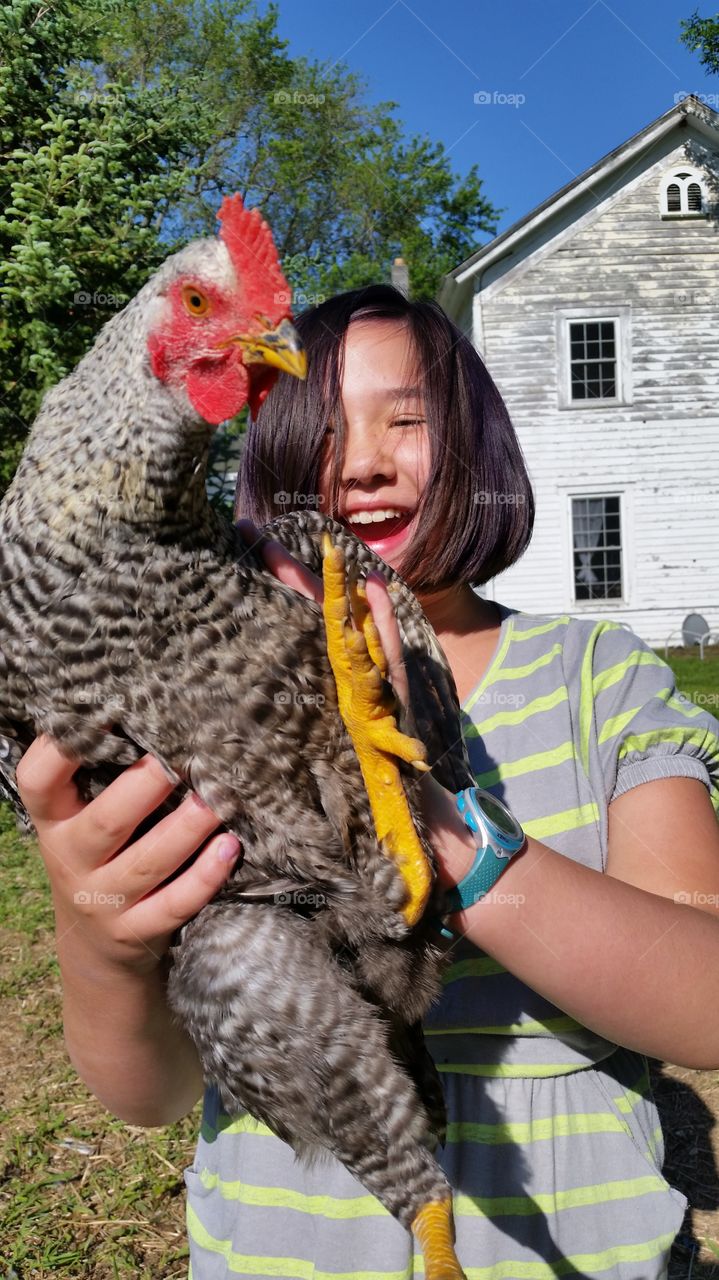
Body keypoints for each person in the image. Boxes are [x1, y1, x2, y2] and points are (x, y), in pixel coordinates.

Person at [17, 284, 719, 1280]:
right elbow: (151, 1093)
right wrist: (99, 927)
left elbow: (704, 1004)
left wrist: (423, 815)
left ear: (479, 444)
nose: (361, 462)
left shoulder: (593, 677)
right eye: (316, 427)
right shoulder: (185, 699)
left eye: (407, 419)